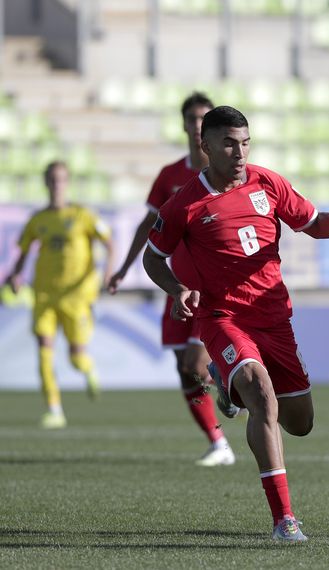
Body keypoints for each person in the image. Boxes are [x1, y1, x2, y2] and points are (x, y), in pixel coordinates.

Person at [142, 106, 329, 542]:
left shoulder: (268, 182)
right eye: (229, 142)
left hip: (275, 318)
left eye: (245, 142)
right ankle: (284, 519)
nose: (240, 151)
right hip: (222, 317)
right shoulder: (185, 204)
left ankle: (224, 380)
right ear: (205, 146)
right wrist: (176, 290)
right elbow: (153, 257)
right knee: (260, 392)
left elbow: (313, 225)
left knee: (300, 422)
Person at [107, 93, 235, 467]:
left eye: (204, 119)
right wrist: (123, 268)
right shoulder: (170, 176)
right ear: (184, 125)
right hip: (176, 287)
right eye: (192, 119)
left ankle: (230, 382)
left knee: (196, 365)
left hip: (210, 288)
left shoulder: (229, 174)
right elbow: (149, 225)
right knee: (184, 370)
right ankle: (218, 443)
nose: (198, 126)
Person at [5, 161, 114, 429]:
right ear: (45, 183)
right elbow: (24, 251)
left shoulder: (83, 215)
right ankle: (54, 409)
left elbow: (109, 243)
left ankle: (88, 369)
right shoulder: (37, 219)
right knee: (43, 348)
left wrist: (108, 273)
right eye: (52, 180)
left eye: (61, 179)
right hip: (43, 294)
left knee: (76, 356)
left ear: (68, 183)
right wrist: (16, 274)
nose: (57, 185)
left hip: (76, 295)